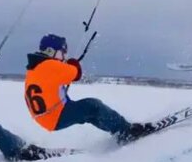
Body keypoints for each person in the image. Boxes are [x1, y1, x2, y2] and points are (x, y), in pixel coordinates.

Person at [24, 34, 152, 143]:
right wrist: (73, 63)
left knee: (89, 114)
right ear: (50, 51)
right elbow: (76, 73)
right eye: (62, 52)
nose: (64, 56)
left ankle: (118, 131)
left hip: (44, 118)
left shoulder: (34, 69)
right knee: (93, 105)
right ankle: (126, 131)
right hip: (55, 116)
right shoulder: (50, 65)